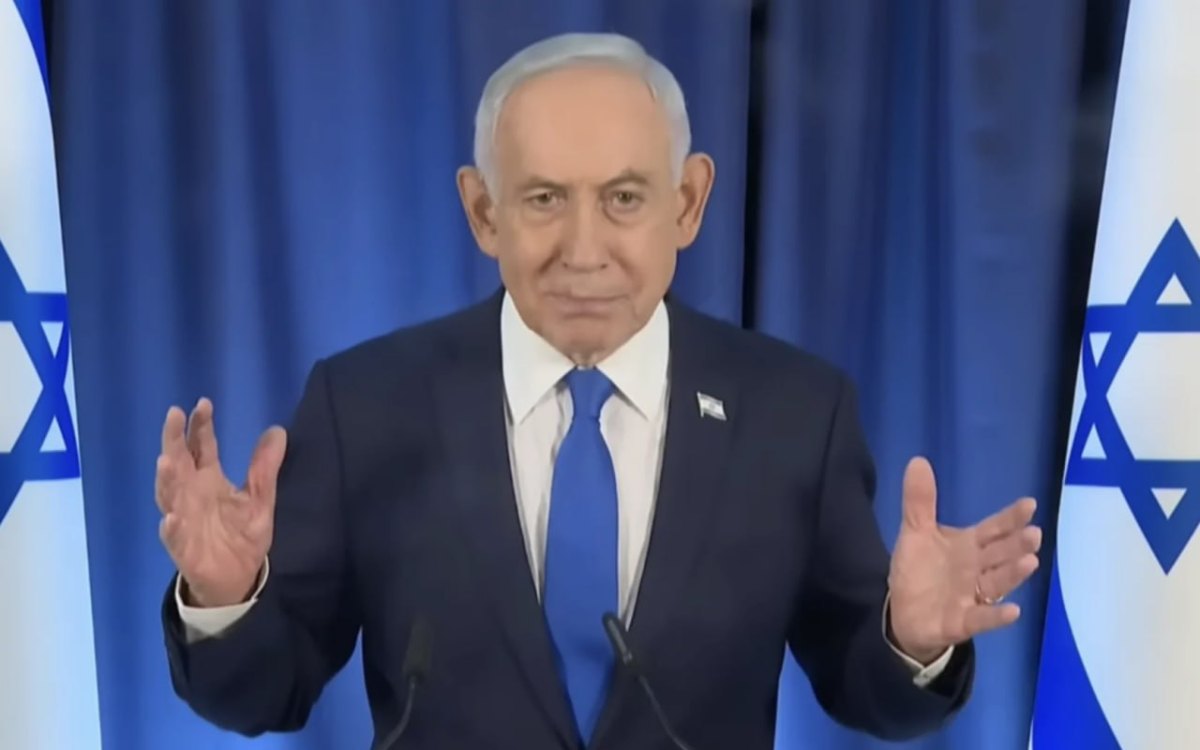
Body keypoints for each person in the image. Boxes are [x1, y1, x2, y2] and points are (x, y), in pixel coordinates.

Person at [157, 32, 1041, 750]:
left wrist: (912, 641)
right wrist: (225, 600)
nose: (584, 252)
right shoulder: (366, 407)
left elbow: (865, 690)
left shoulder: (796, 416)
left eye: (624, 198)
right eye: (544, 199)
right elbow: (264, 694)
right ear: (483, 211)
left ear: (688, 203)